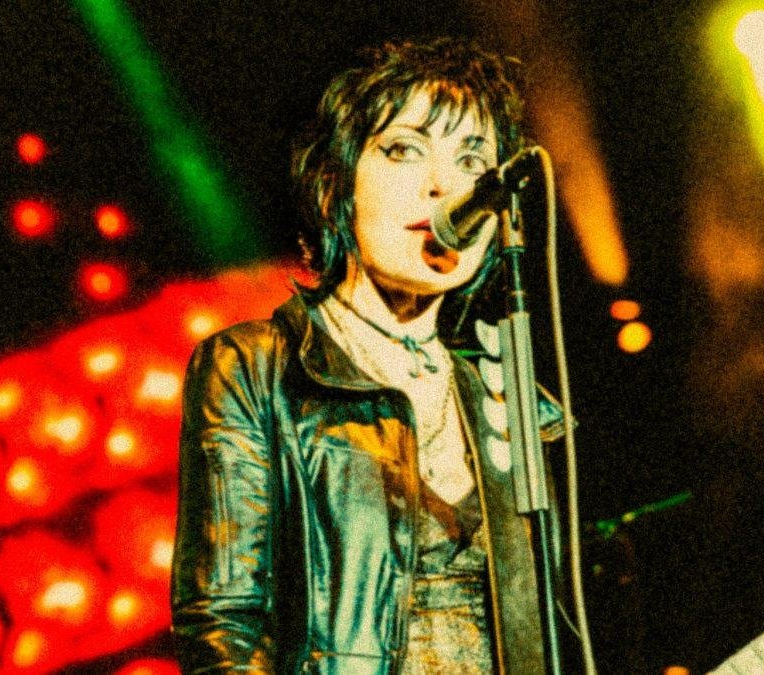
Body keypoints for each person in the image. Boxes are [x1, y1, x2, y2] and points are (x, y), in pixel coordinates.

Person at [170, 37, 567, 674]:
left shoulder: (510, 401)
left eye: (472, 160)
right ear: (336, 186)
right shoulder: (255, 367)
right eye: (405, 149)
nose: (445, 186)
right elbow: (224, 628)